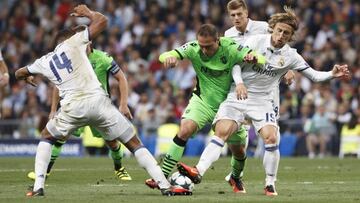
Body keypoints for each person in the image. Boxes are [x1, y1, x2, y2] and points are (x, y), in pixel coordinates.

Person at [15, 4, 190, 197]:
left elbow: (19, 72)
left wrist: (25, 77)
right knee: (133, 143)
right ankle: (165, 185)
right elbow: (103, 21)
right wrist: (89, 13)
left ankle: (39, 186)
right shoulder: (73, 44)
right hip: (99, 103)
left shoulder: (44, 61)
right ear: (68, 39)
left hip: (72, 107)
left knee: (47, 136)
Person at [177, 6, 350, 196]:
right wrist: (240, 83)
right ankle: (198, 171)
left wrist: (332, 74)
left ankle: (269, 183)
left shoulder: (291, 56)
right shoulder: (254, 41)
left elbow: (315, 76)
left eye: (286, 33)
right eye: (279, 31)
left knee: (271, 137)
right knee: (222, 131)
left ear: (291, 36)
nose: (281, 35)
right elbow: (235, 64)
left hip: (263, 101)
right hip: (238, 95)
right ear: (273, 29)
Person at [145, 23, 265, 189]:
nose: (204, 50)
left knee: (238, 151)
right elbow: (165, 55)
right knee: (185, 129)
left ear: (218, 40)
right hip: (203, 101)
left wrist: (254, 58)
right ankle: (161, 176)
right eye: (201, 45)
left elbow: (260, 59)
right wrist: (169, 58)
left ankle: (235, 177)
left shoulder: (230, 48)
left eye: (208, 46)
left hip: (229, 105)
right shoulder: (194, 48)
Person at [27, 44, 133, 181]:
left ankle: (119, 168)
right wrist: (53, 109)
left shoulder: (103, 58)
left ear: (90, 43)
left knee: (112, 143)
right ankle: (45, 171)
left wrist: (123, 103)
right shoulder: (70, 59)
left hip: (99, 107)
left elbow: (121, 78)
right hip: (76, 106)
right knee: (59, 137)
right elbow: (58, 85)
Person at [223, 0, 295, 193]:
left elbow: (281, 48)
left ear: (247, 13)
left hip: (267, 90)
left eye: (240, 14)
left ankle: (270, 180)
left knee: (272, 133)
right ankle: (236, 174)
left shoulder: (264, 28)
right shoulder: (228, 35)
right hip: (241, 87)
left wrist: (287, 68)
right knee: (241, 133)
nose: (237, 18)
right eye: (233, 15)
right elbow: (232, 58)